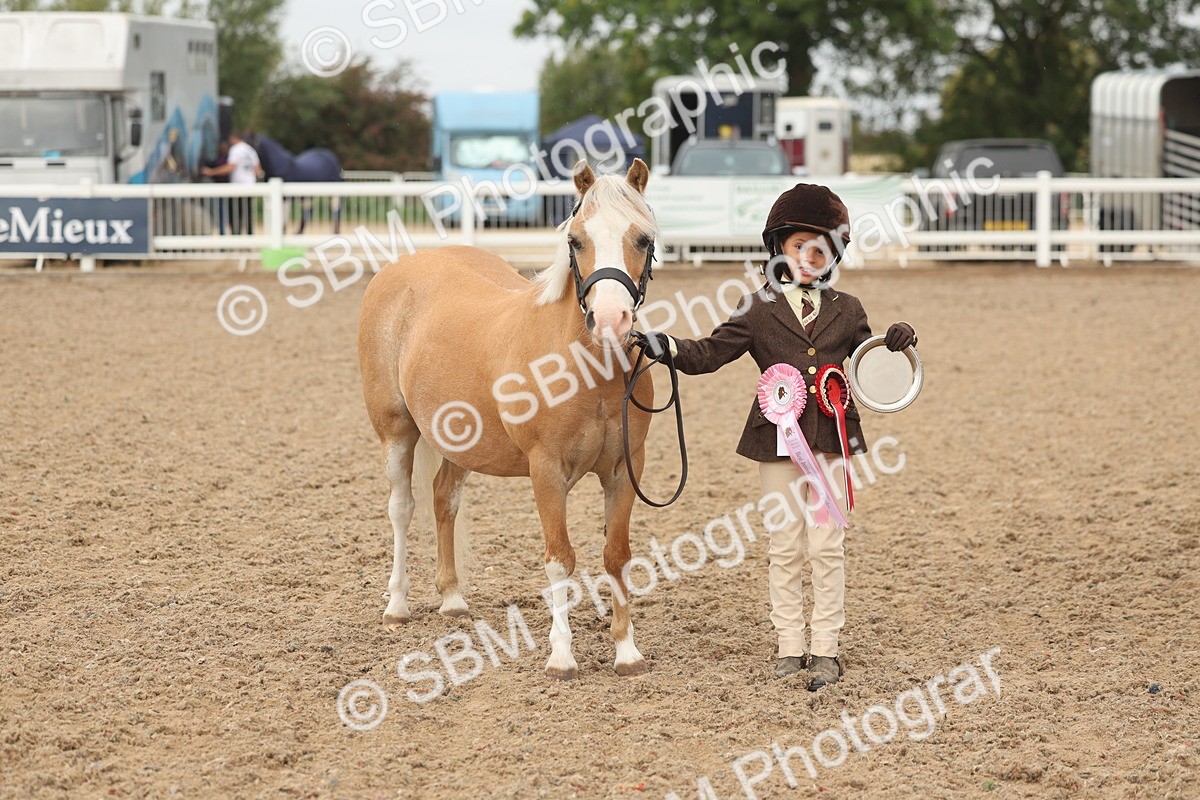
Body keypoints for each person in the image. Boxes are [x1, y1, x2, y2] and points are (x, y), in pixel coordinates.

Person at [659, 184, 917, 691]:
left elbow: (866, 358)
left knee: (827, 545)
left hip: (832, 439)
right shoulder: (757, 308)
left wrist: (896, 339)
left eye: (820, 249)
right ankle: (788, 646)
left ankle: (825, 649)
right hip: (776, 442)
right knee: (784, 545)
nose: (808, 257)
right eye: (799, 246)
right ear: (780, 248)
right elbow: (711, 353)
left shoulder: (848, 307)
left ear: (832, 257)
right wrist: (665, 346)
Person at [202, 131, 262, 234]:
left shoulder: (235, 150)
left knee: (235, 215)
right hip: (250, 187)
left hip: (237, 188)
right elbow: (258, 170)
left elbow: (231, 167)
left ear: (233, 138)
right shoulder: (250, 150)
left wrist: (212, 172)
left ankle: (236, 238)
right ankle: (249, 240)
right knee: (247, 215)